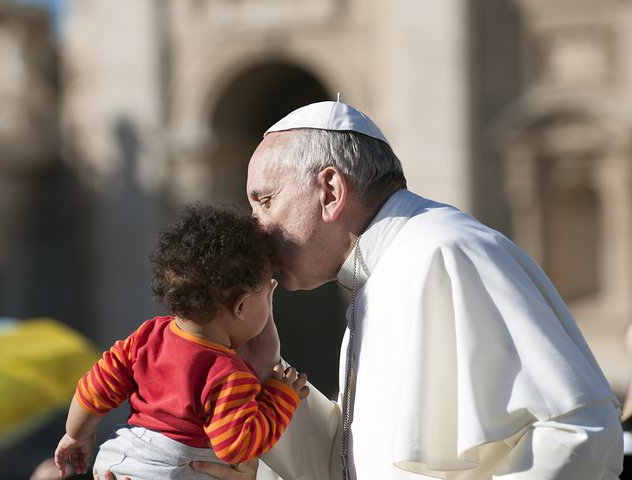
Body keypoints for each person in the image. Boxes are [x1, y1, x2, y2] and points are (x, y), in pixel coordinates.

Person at [192, 100, 623, 480]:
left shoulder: (447, 251)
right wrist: (263, 373)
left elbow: (577, 433)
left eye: (265, 201)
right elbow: (353, 467)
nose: (255, 229)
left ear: (329, 191)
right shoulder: (373, 278)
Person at [54, 204, 309, 479]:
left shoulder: (148, 336)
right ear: (242, 306)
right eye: (267, 295)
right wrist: (279, 397)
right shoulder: (229, 375)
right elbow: (235, 447)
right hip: (170, 470)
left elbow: (95, 387)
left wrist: (76, 435)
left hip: (117, 458)